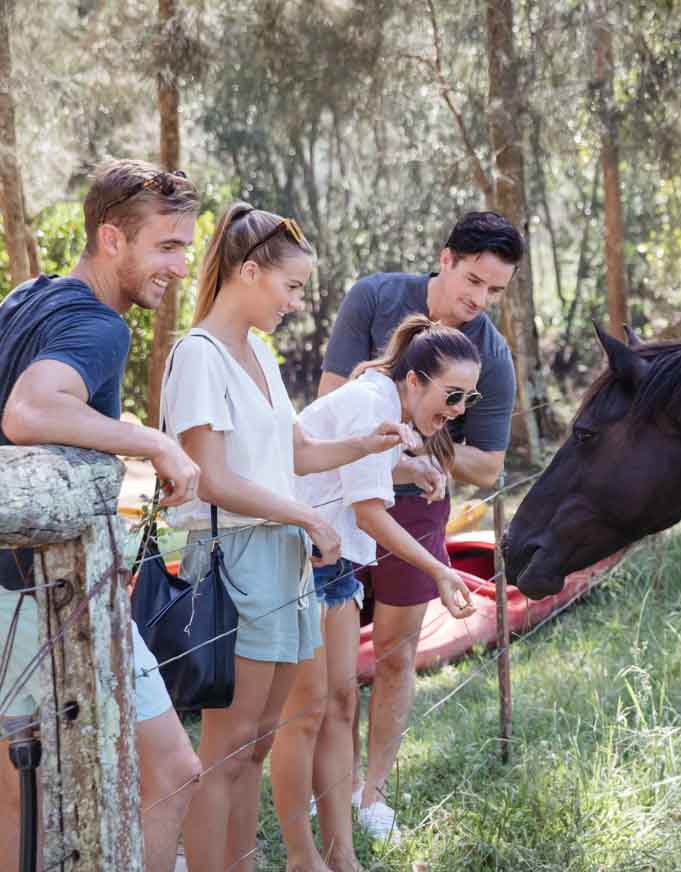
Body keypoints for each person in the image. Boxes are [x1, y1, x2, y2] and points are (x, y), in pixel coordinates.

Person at [163, 202, 412, 872]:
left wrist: (368, 441)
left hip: (285, 560)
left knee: (256, 745)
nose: (298, 304)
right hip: (240, 556)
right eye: (292, 288)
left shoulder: (260, 354)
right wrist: (306, 517)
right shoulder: (199, 356)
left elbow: (296, 451)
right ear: (248, 272)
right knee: (227, 746)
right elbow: (210, 477)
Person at [0, 158, 203, 872]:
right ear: (113, 240)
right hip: (31, 600)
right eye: (168, 246)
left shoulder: (29, 297)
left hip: (42, 589)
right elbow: (28, 411)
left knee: (26, 805)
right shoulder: (99, 327)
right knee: (161, 776)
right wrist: (154, 441)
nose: (182, 266)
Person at [318, 211, 522, 839]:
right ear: (445, 257)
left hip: (418, 510)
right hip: (338, 502)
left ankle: (372, 796)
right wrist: (397, 444)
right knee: (334, 666)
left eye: (494, 291)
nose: (479, 300)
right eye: (473, 280)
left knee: (394, 658)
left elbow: (487, 465)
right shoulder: (375, 297)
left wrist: (417, 446)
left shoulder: (491, 352)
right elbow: (333, 403)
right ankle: (334, 782)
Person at [269, 315, 479, 871]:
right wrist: (441, 570)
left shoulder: (387, 406)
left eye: (468, 399)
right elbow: (370, 513)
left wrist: (411, 466)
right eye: (451, 396)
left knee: (340, 705)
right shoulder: (371, 402)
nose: (456, 411)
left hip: (334, 565)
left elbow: (357, 468)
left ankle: (343, 856)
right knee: (305, 715)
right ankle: (302, 855)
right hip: (298, 562)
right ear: (414, 381)